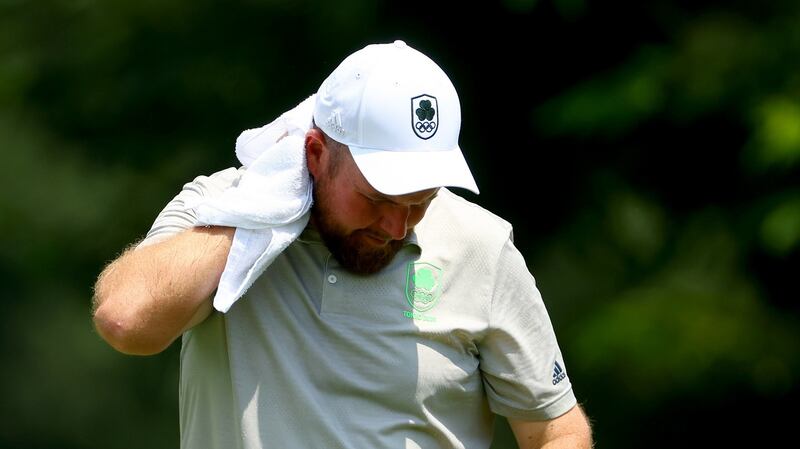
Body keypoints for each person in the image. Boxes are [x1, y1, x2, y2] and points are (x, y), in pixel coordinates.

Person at [92, 40, 593, 449]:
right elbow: (126, 321)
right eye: (377, 198)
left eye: (420, 201)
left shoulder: (480, 245)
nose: (396, 226)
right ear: (314, 154)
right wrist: (258, 211)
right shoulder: (223, 207)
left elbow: (557, 430)